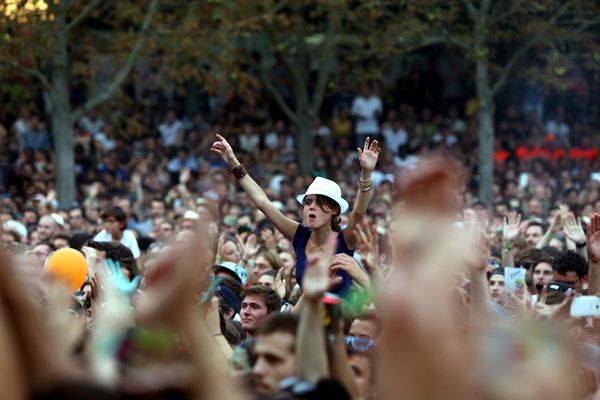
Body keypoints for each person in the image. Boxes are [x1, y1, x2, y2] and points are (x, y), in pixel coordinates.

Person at [211, 134, 380, 295]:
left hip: (340, 321)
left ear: (335, 210)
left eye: (319, 202)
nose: (311, 207)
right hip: (306, 319)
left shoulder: (345, 240)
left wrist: (366, 173)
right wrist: (234, 163)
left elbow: (358, 213)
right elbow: (262, 202)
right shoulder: (300, 235)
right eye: (308, 202)